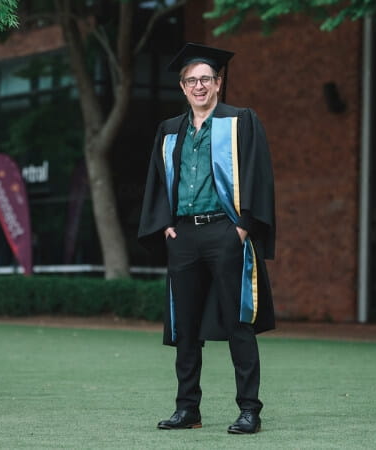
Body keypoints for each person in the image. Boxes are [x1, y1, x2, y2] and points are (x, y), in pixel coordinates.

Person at [137, 42, 276, 435]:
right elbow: (157, 183)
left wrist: (243, 225)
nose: (199, 86)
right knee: (185, 325)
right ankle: (188, 409)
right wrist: (166, 224)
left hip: (226, 231)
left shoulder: (240, 122)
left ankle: (249, 409)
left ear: (218, 83)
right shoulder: (169, 131)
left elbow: (258, 174)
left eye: (206, 79)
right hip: (183, 234)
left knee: (238, 322)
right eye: (191, 80)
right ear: (182, 87)